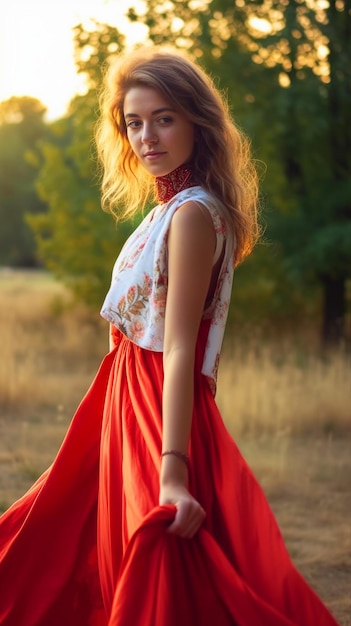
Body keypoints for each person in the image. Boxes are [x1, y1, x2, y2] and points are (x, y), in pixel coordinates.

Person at [0, 47, 340, 626]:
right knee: (75, 546)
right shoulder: (169, 210)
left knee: (154, 575)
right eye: (133, 122)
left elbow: (180, 344)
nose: (146, 136)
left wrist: (174, 469)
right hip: (124, 402)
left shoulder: (192, 215)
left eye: (164, 117)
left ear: (196, 121)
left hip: (155, 410)